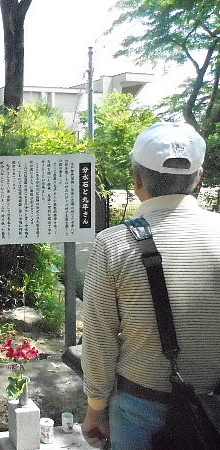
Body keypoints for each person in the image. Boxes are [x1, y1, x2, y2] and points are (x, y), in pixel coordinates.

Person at [80, 122, 220, 449]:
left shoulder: (113, 244)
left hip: (141, 408)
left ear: (137, 180)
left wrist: (95, 408)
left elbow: (99, 340)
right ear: (198, 177)